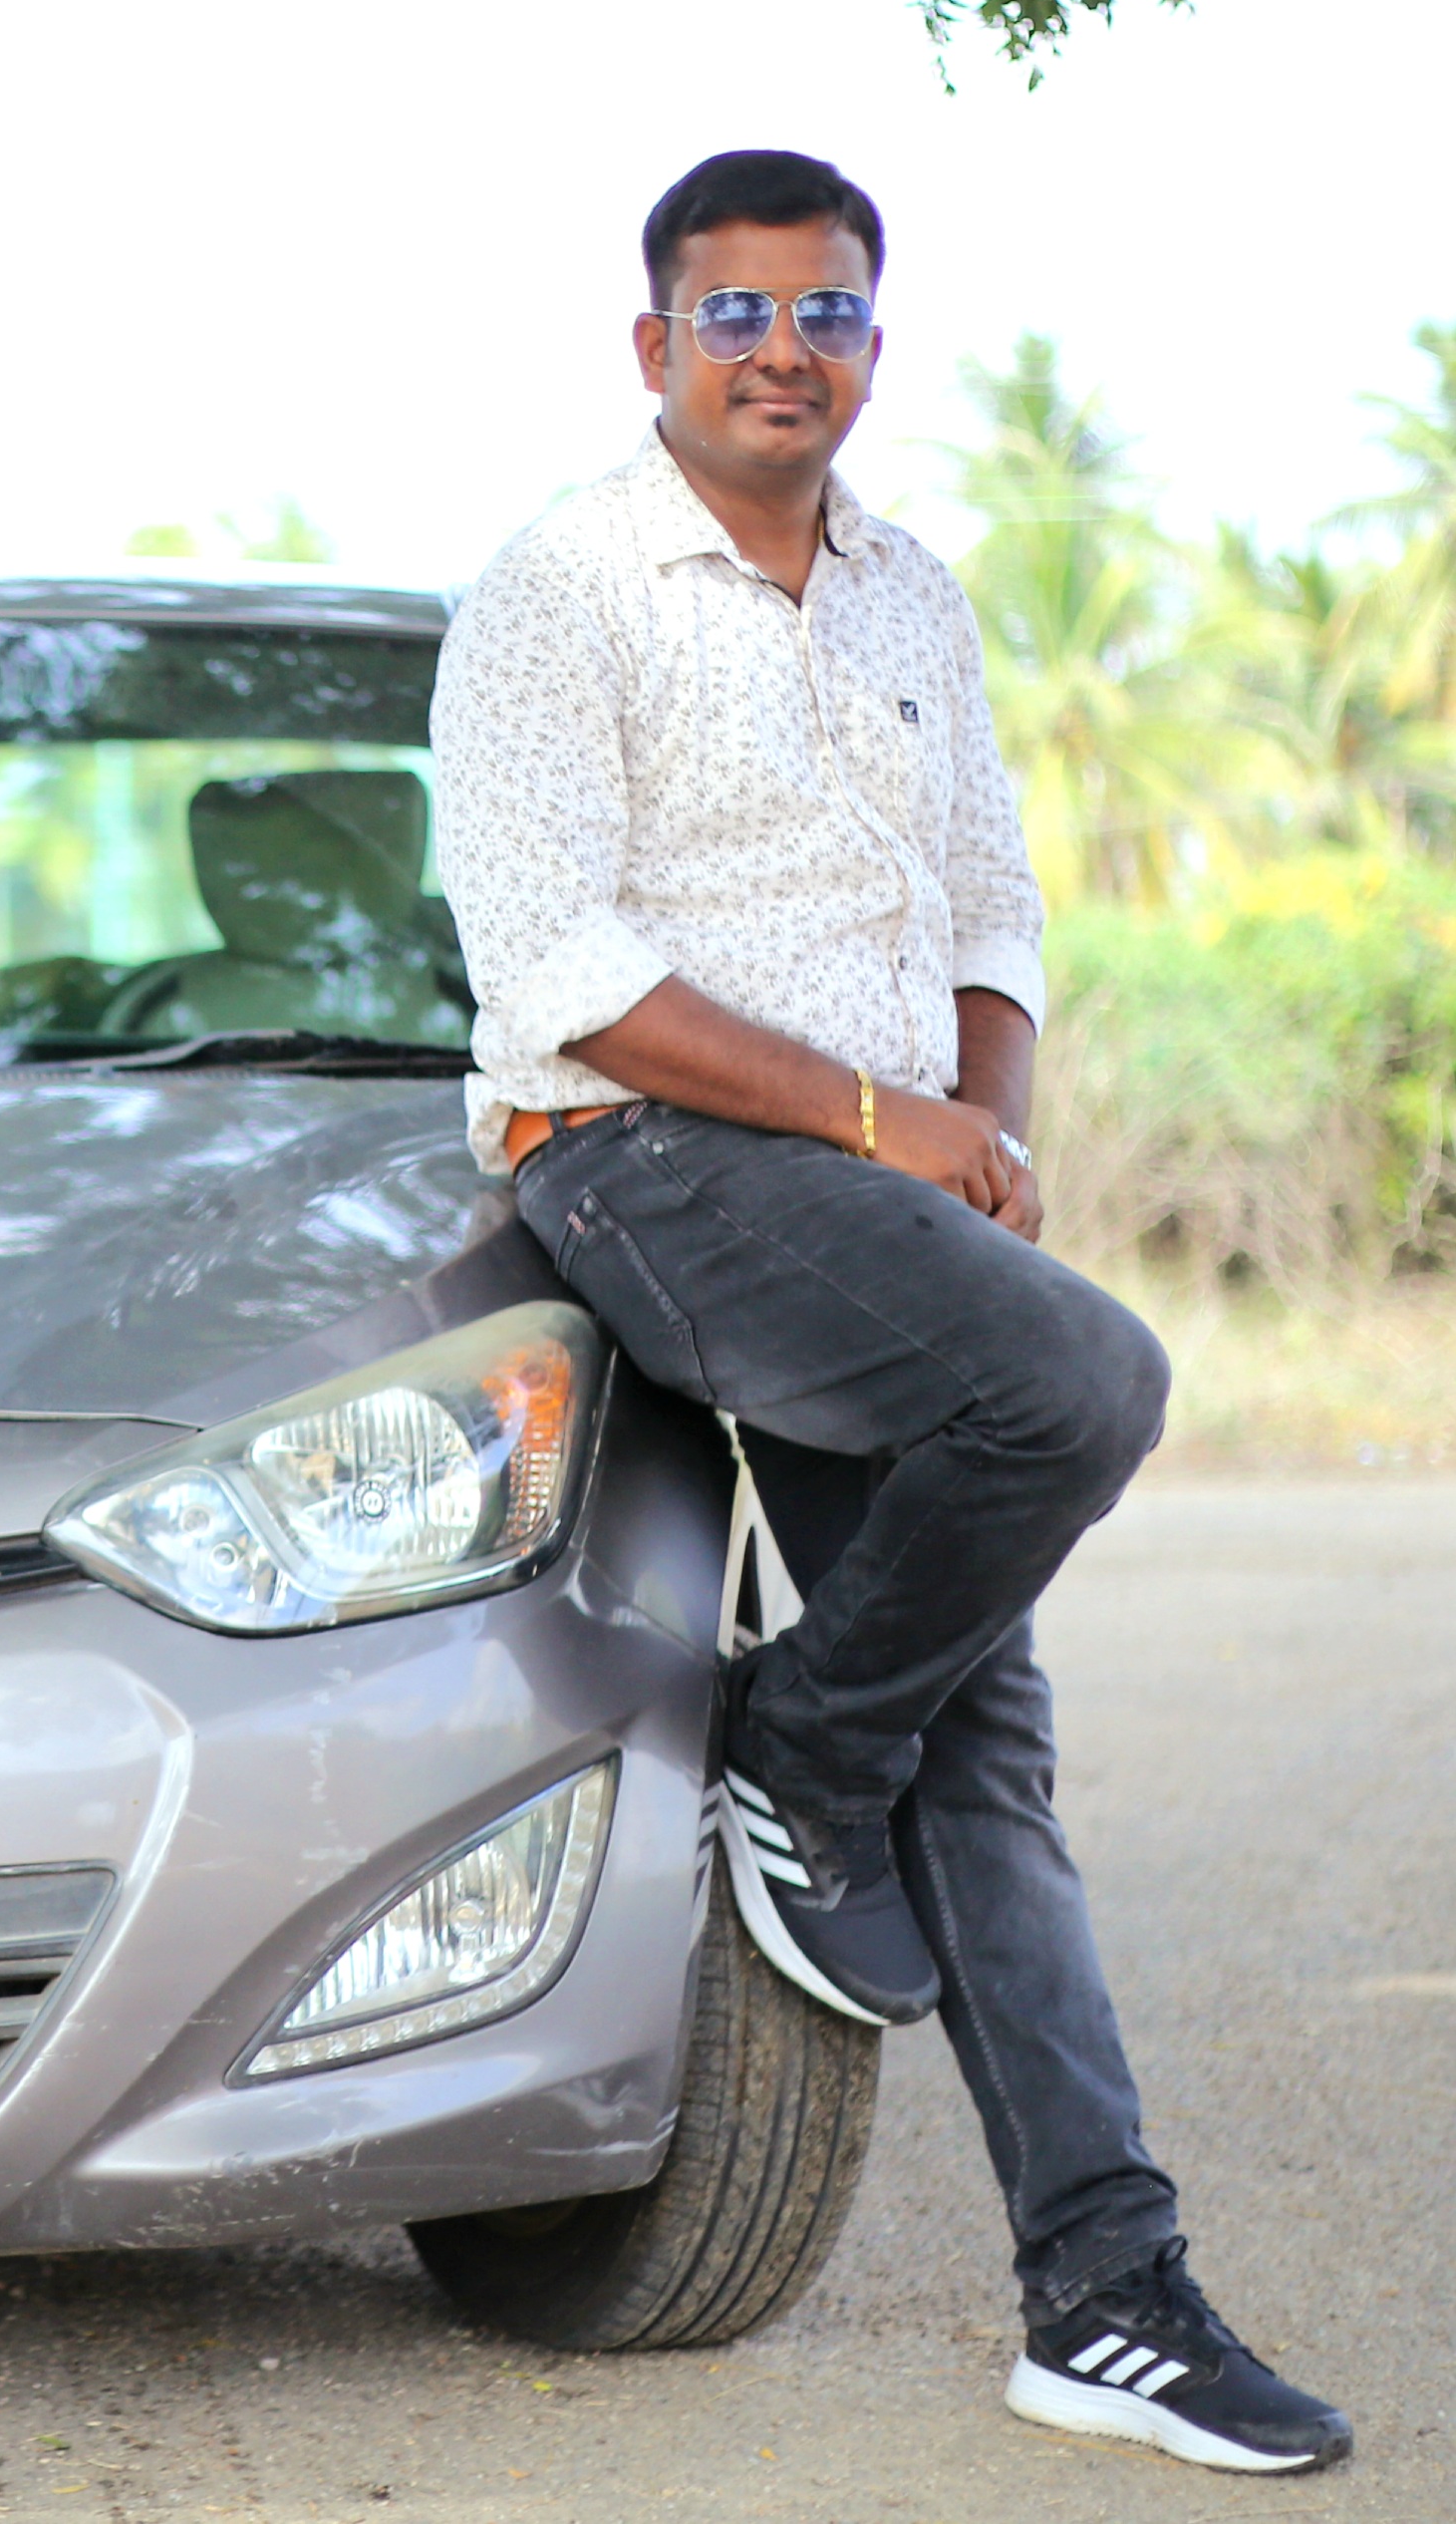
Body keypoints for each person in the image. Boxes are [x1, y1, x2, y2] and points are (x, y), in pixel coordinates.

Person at [430, 148, 1351, 2477]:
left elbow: (987, 907)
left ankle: (1103, 2293)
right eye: (734, 311)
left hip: (863, 1196)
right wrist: (882, 1126)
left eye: (824, 311)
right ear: (652, 344)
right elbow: (559, 975)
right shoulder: (558, 588)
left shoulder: (908, 592)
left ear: (870, 341)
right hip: (641, 1161)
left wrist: (981, 1142)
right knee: (1090, 1383)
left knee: (985, 1737)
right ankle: (794, 1757)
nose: (781, 348)